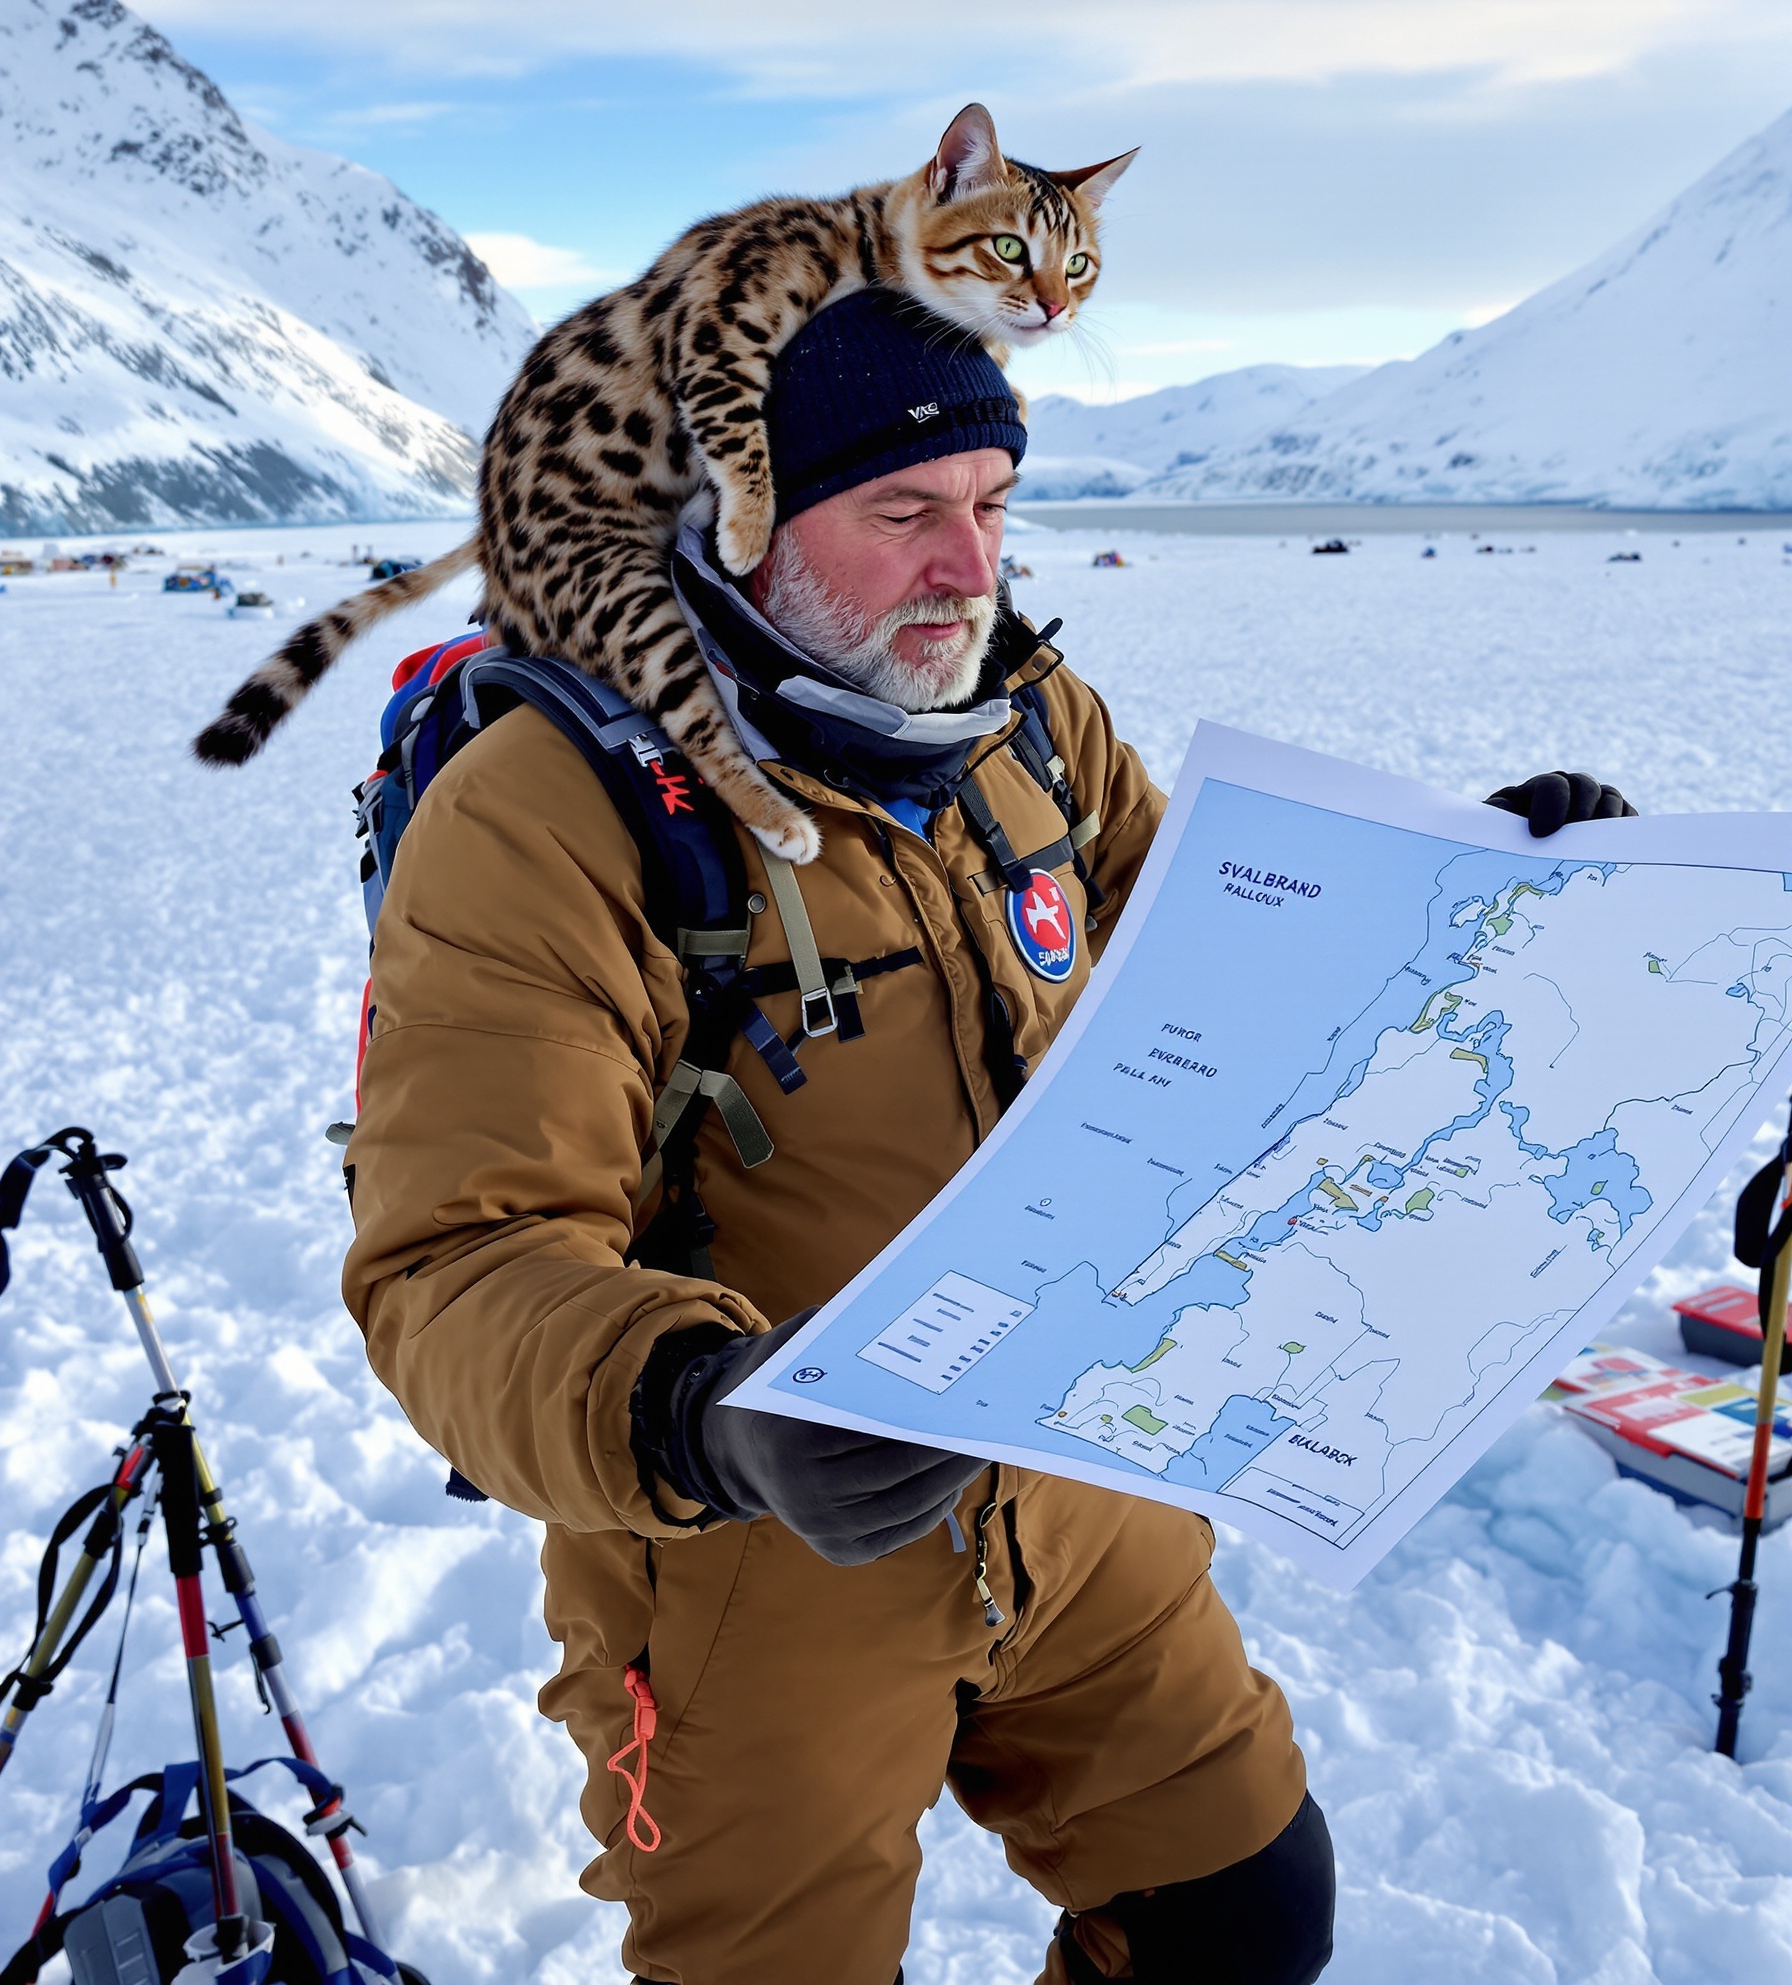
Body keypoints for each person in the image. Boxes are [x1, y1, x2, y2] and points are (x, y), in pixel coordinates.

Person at [342, 289, 1632, 1985]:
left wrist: (1470, 901)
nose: (971, 567)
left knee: (1245, 1912)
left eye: (992, 506)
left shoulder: (1025, 732)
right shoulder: (546, 817)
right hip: (761, 1561)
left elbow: (1222, 973)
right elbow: (456, 1260)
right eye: (903, 515)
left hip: (1086, 1496)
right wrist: (714, 1412)